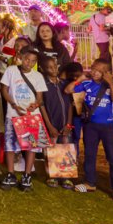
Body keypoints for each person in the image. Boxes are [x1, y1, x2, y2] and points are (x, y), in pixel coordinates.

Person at [0, 47, 58, 192]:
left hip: (32, 116)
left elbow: (39, 96)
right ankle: (11, 174)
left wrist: (35, 104)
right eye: (27, 59)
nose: (29, 63)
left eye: (33, 61)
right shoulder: (11, 71)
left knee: (31, 146)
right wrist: (13, 104)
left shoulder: (38, 76)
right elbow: (4, 90)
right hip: (13, 114)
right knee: (10, 145)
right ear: (21, 57)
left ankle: (27, 175)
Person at [67, 59, 113, 201]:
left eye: (98, 70)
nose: (94, 72)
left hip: (108, 126)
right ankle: (90, 182)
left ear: (107, 73)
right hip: (90, 126)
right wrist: (80, 79)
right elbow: (68, 90)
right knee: (90, 154)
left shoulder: (112, 85)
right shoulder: (87, 83)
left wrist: (110, 82)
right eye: (93, 68)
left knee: (112, 156)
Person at [42, 57, 74, 189]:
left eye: (55, 66)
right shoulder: (44, 86)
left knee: (65, 148)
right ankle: (52, 176)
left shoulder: (64, 84)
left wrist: (69, 124)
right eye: (49, 67)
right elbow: (42, 106)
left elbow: (70, 106)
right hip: (52, 124)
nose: (53, 69)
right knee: (51, 149)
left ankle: (66, 176)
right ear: (43, 69)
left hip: (65, 123)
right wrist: (49, 126)